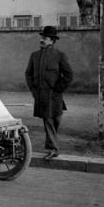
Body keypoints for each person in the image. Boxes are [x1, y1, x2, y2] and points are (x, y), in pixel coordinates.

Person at [25, 26, 73, 160]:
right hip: (41, 95)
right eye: (42, 38)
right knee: (49, 121)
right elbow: (28, 74)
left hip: (55, 95)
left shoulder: (59, 56)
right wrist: (33, 90)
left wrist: (58, 89)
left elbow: (68, 75)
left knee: (56, 119)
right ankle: (53, 149)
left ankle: (51, 144)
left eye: (45, 38)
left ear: (52, 41)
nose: (42, 40)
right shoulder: (34, 56)